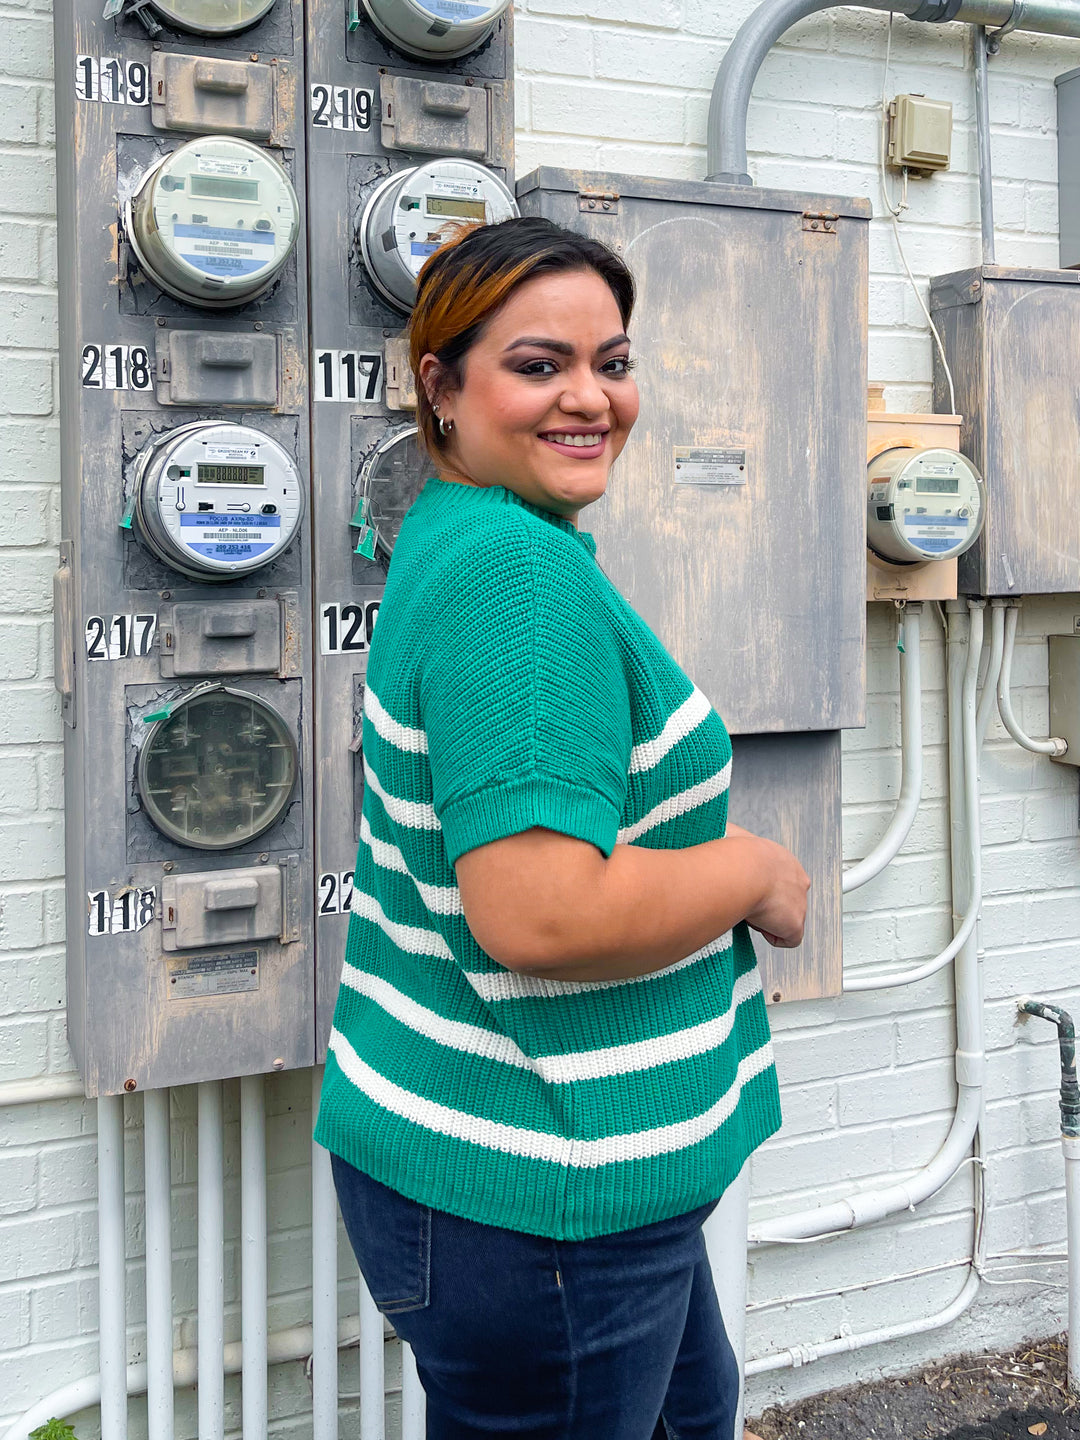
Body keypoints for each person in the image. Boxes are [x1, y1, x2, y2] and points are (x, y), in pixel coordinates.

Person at [315, 215, 810, 1440]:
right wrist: (753, 870)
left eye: (613, 361)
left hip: (522, 1161)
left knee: (694, 1416)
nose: (590, 398)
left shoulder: (463, 529)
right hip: (543, 1191)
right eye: (539, 365)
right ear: (441, 382)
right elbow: (538, 910)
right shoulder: (518, 580)